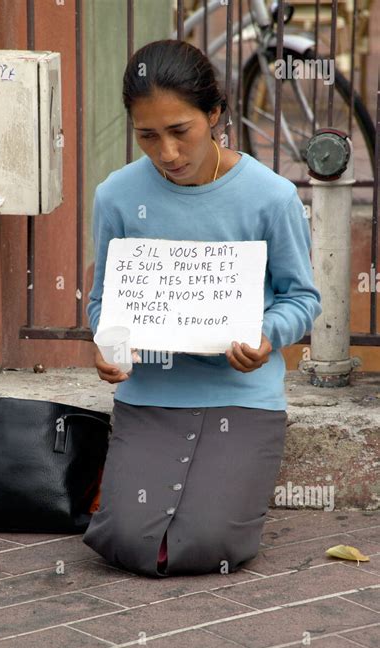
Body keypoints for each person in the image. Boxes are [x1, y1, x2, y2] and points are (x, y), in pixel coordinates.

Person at [82, 39, 322, 579]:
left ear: (214, 115)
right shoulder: (116, 197)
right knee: (123, 541)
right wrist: (109, 347)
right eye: (147, 136)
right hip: (150, 394)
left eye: (180, 131)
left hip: (243, 398)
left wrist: (266, 336)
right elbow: (105, 302)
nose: (166, 152)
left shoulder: (271, 196)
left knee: (207, 547)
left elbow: (302, 297)